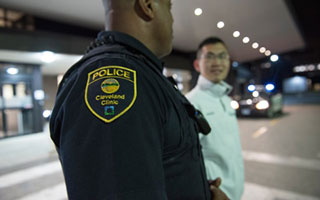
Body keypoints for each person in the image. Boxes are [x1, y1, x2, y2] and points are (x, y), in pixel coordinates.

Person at [50, 0, 229, 199]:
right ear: (147, 5)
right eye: (169, 8)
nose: (172, 19)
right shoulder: (117, 77)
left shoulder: (145, 76)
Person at [186, 37, 245, 200]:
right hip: (215, 194)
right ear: (197, 65)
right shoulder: (191, 103)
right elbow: (186, 160)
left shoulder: (226, 100)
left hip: (236, 190)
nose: (217, 62)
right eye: (210, 56)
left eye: (222, 56)